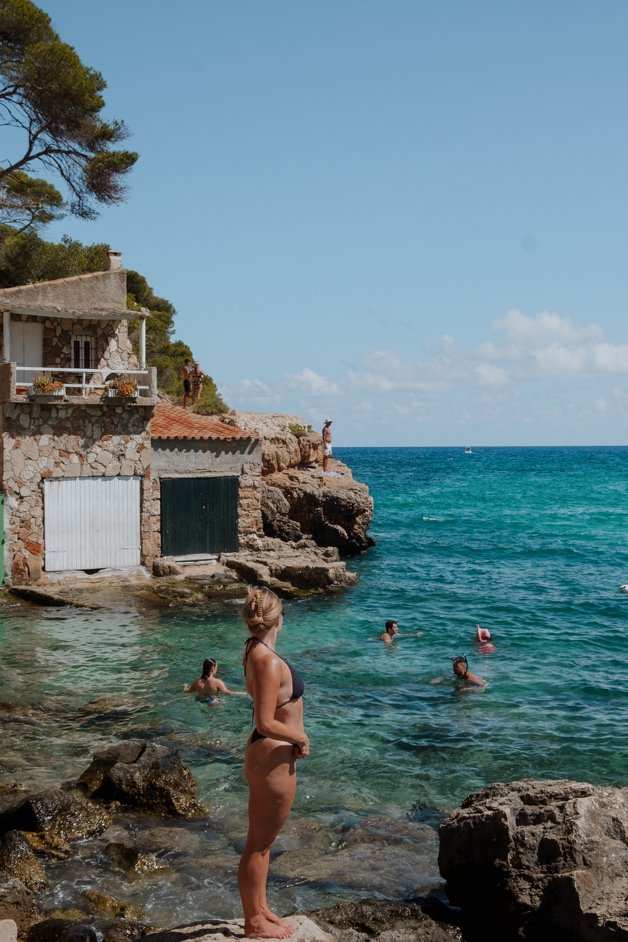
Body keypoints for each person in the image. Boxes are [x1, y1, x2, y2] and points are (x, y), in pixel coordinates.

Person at [238, 587, 309, 939]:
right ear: (279, 618)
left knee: (264, 842)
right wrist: (299, 737)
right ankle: (253, 922)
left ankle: (261, 910)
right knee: (258, 843)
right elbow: (264, 720)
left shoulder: (256, 649)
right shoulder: (267, 659)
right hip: (272, 755)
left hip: (270, 754)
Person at [183, 658, 247, 703]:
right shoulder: (217, 682)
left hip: (199, 700)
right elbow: (229, 692)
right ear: (213, 668)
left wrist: (185, 686)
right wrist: (244, 693)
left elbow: (187, 691)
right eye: (216, 668)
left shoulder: (196, 682)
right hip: (211, 701)